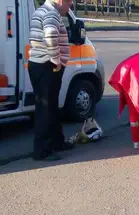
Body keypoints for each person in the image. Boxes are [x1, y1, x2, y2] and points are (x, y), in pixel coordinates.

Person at [28, 0, 73, 161]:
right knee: (45, 108)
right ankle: (42, 151)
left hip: (39, 64)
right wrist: (56, 60)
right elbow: (50, 35)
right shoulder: (51, 13)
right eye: (69, 2)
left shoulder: (42, 11)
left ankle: (57, 142)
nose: (70, 5)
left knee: (51, 105)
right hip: (46, 65)